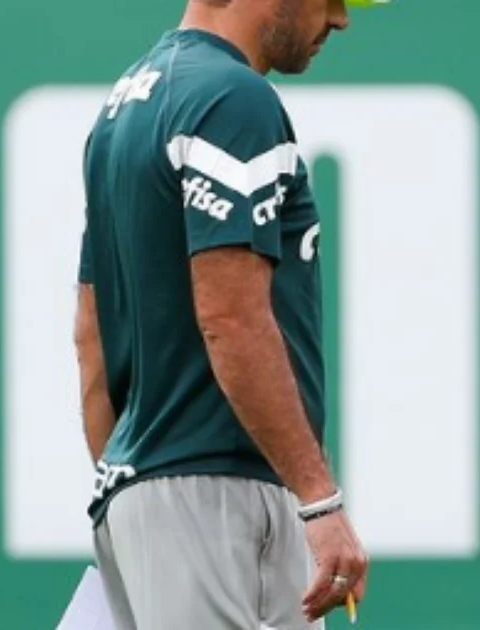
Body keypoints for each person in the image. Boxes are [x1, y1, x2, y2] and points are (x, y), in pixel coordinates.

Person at [73, 1, 373, 627]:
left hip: (148, 491)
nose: (340, 19)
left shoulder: (122, 110)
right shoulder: (232, 98)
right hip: (222, 494)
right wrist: (319, 501)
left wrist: (129, 494)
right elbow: (231, 317)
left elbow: (91, 339)